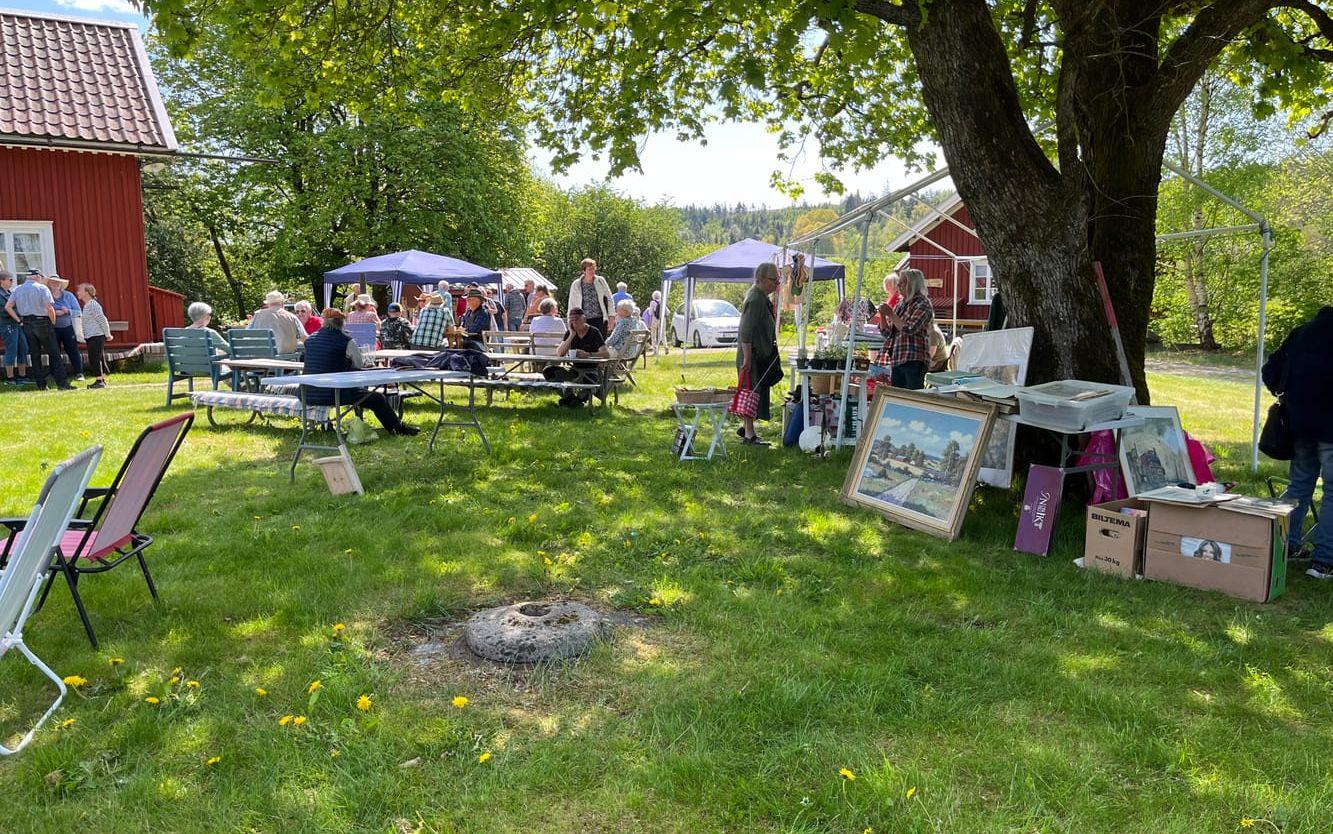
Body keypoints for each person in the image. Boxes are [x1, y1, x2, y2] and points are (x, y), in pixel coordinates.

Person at [1262, 305, 1333, 580]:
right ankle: (1325, 561)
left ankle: (1287, 546)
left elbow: (1270, 370)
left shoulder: (1302, 333)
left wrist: (1290, 397)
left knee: (1299, 486)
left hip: (1300, 423)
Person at [302, 309, 419, 436]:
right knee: (377, 398)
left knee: (363, 392)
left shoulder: (310, 340)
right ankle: (398, 429)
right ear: (342, 323)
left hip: (307, 392)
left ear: (323, 322)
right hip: (333, 392)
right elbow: (359, 364)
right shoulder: (345, 340)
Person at [736, 262, 783, 444]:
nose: (775, 285)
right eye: (773, 280)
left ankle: (747, 427)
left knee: (756, 391)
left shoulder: (761, 297)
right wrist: (747, 358)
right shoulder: (755, 299)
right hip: (752, 356)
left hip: (759, 354)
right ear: (761, 279)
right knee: (751, 390)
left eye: (777, 281)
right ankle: (749, 434)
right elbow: (746, 331)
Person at [5, 270, 71, 390]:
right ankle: (62, 384)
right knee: (54, 353)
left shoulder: (17, 289)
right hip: (42, 321)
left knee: (35, 355)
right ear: (37, 276)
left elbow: (8, 307)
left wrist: (19, 320)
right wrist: (53, 321)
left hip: (26, 322)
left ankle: (41, 385)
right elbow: (49, 307)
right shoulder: (42, 288)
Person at [877, 268, 934, 391]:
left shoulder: (922, 303)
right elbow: (887, 333)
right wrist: (882, 315)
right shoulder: (900, 305)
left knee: (911, 397)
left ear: (912, 284)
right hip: (897, 358)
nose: (898, 285)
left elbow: (910, 329)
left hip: (914, 358)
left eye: (902, 282)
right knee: (898, 397)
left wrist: (891, 314)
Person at [548, 307, 609, 407]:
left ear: (584, 319)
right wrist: (572, 335)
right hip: (574, 369)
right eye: (571, 319)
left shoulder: (594, 332)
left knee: (591, 381)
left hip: (592, 370)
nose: (574, 322)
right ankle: (570, 398)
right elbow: (559, 353)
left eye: (576, 319)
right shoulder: (570, 332)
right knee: (549, 371)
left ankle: (577, 400)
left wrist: (589, 354)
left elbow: (605, 354)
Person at [47, 275, 84, 381]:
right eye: (52, 283)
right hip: (53, 328)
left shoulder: (68, 296)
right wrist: (54, 313)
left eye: (57, 283)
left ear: (61, 285)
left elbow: (78, 312)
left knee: (72, 350)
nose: (55, 285)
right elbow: (43, 310)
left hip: (68, 327)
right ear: (49, 285)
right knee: (54, 351)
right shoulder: (46, 296)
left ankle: (79, 373)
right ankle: (54, 373)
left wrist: (67, 311)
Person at [76, 283, 111, 389]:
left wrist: (107, 334)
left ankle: (99, 381)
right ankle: (101, 379)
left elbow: (102, 319)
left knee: (94, 358)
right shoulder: (87, 305)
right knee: (98, 358)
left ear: (87, 292)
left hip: (96, 335)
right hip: (91, 336)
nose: (78, 292)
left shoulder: (92, 304)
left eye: (80, 290)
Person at [250, 291, 306, 356]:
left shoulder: (257, 315)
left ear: (268, 304)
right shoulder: (292, 317)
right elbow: (304, 337)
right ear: (282, 303)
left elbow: (247, 333)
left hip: (262, 357)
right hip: (286, 357)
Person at [0, 271, 32, 384]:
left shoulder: (10, 292)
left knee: (23, 348)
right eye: (10, 280)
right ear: (1, 281)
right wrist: (18, 318)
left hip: (17, 324)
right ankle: (10, 378)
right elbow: (6, 310)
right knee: (11, 349)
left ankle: (22, 376)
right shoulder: (0, 294)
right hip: (7, 324)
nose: (12, 282)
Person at [568, 258, 613, 337]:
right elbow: (572, 304)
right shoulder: (576, 284)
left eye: (593, 269)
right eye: (589, 269)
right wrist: (571, 320)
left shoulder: (601, 281)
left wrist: (611, 317)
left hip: (600, 319)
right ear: (584, 271)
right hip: (583, 320)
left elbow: (609, 299)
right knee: (585, 345)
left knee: (600, 345)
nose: (592, 271)